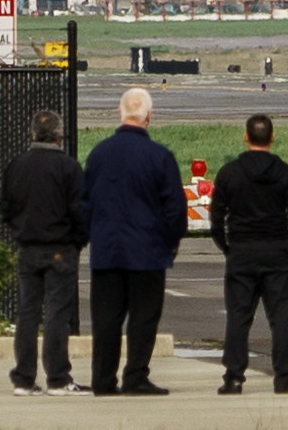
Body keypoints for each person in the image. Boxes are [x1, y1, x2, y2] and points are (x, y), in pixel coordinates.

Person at [81, 87, 186, 396]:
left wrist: (92, 236)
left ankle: (103, 378)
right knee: (143, 317)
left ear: (120, 112)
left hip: (107, 250)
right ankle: (136, 375)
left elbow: (85, 203)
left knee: (106, 319)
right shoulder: (160, 156)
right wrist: (172, 240)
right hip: (148, 251)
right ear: (149, 116)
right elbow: (174, 207)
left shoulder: (99, 153)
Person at [210, 114, 288, 395]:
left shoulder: (229, 172)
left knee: (239, 317)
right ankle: (285, 377)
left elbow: (216, 220)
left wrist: (228, 248)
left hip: (242, 251)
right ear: (272, 137)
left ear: (246, 136)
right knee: (281, 319)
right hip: (277, 252)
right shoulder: (283, 173)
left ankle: (234, 377)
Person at [1, 109, 90, 396]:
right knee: (57, 313)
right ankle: (58, 378)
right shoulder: (68, 167)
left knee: (27, 313)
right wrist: (77, 241)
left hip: (27, 247)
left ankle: (24, 379)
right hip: (60, 248)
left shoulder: (17, 165)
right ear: (59, 135)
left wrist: (20, 232)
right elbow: (80, 211)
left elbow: (6, 208)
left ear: (32, 134)